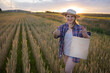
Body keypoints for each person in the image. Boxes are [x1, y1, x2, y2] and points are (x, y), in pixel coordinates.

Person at [52, 9, 91, 73]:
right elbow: (56, 36)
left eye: (72, 16)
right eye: (68, 16)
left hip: (74, 53)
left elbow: (88, 38)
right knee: (69, 70)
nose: (69, 18)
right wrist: (55, 34)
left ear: (75, 18)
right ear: (65, 17)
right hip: (65, 51)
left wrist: (86, 35)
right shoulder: (62, 27)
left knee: (67, 70)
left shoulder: (79, 28)